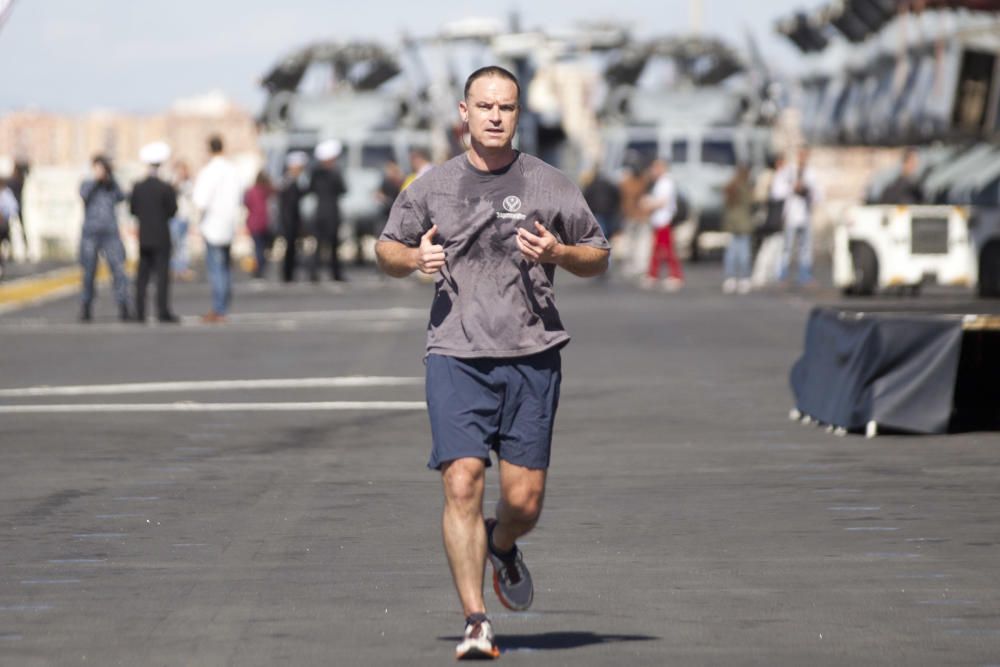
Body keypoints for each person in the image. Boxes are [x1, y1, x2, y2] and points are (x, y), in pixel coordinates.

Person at [376, 65, 610, 661]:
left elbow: (598, 254)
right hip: (456, 352)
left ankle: (502, 545)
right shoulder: (432, 186)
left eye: (506, 107)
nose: (495, 116)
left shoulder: (550, 184)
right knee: (461, 481)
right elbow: (386, 246)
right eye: (485, 106)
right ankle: (476, 620)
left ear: (518, 113)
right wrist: (413, 259)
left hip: (532, 356)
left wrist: (559, 251)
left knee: (523, 502)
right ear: (464, 112)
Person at [193, 135, 241, 323]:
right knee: (225, 268)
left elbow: (200, 200)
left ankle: (219, 308)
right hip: (228, 224)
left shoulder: (209, 171)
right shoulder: (232, 170)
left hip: (212, 225)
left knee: (216, 269)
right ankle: (223, 305)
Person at [78, 155, 132, 322]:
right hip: (90, 234)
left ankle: (123, 305)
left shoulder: (111, 186)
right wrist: (97, 179)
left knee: (118, 269)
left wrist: (111, 176)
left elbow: (122, 197)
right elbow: (84, 195)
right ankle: (86, 306)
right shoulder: (87, 183)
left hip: (110, 234)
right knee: (89, 272)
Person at [130, 142, 179, 323]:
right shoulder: (166, 188)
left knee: (142, 276)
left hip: (144, 237)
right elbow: (173, 210)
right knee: (162, 276)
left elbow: (132, 210)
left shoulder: (138, 187)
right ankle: (162, 311)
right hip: (161, 236)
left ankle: (139, 312)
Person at [777, 147, 820, 287]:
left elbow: (818, 195)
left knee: (805, 247)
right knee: (787, 246)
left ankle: (804, 274)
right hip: (791, 215)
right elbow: (777, 191)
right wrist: (793, 188)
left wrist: (806, 190)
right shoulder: (789, 172)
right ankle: (782, 274)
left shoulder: (811, 174)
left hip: (805, 215)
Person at [641, 158, 684, 291]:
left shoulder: (666, 182)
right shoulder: (660, 182)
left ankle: (675, 275)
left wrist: (649, 203)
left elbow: (663, 201)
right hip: (659, 220)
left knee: (667, 250)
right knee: (658, 250)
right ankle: (653, 274)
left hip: (664, 220)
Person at [309, 139, 348, 282]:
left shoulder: (315, 173)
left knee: (318, 245)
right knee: (333, 246)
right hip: (332, 213)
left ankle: (313, 273)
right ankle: (335, 274)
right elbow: (343, 189)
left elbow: (311, 188)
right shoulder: (334, 173)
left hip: (319, 212)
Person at [722, 164, 754, 294]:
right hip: (744, 223)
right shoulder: (744, 187)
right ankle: (744, 277)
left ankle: (730, 278)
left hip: (732, 223)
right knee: (744, 252)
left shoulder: (730, 187)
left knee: (731, 251)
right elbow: (751, 203)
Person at [279, 151, 309, 283]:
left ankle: (289, 273)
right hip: (289, 220)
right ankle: (287, 274)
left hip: (292, 220)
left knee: (292, 248)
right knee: (289, 248)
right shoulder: (289, 182)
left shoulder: (292, 181)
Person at [617, 157, 649, 277]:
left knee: (631, 240)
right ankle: (639, 264)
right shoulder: (642, 181)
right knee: (638, 241)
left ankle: (632, 264)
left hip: (631, 215)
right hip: (638, 214)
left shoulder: (627, 182)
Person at [244, 170, 274, 279]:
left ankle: (259, 267)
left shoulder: (251, 191)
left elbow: (246, 203)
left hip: (254, 223)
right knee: (263, 247)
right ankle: (260, 267)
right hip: (265, 222)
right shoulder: (268, 191)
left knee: (258, 247)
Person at [169, 161, 196, 281]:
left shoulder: (189, 183)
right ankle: (174, 268)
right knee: (175, 245)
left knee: (183, 245)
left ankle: (182, 268)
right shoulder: (173, 182)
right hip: (175, 218)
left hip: (184, 217)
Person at [0, 176, 17, 280]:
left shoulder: (7, 194)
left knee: (4, 243)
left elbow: (13, 208)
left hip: (3, 225)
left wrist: (4, 214)